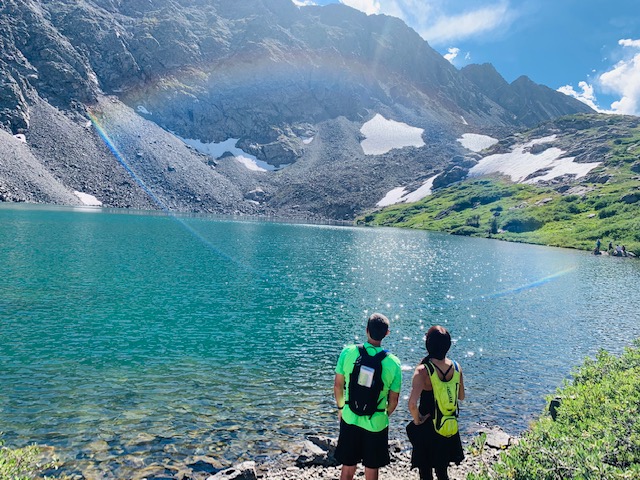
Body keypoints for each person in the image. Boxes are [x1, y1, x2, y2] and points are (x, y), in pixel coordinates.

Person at [334, 313, 402, 480]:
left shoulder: (348, 352)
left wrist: (341, 408)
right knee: (372, 468)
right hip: (376, 422)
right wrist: (383, 414)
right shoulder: (393, 363)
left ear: (366, 330)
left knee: (348, 467)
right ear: (387, 333)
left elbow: (338, 386)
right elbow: (394, 401)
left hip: (350, 417)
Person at [407, 325, 465, 480]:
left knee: (425, 472)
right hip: (446, 424)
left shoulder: (423, 370)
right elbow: (461, 396)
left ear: (428, 344)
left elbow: (412, 404)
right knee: (442, 471)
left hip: (427, 427)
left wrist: (417, 420)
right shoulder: (457, 367)